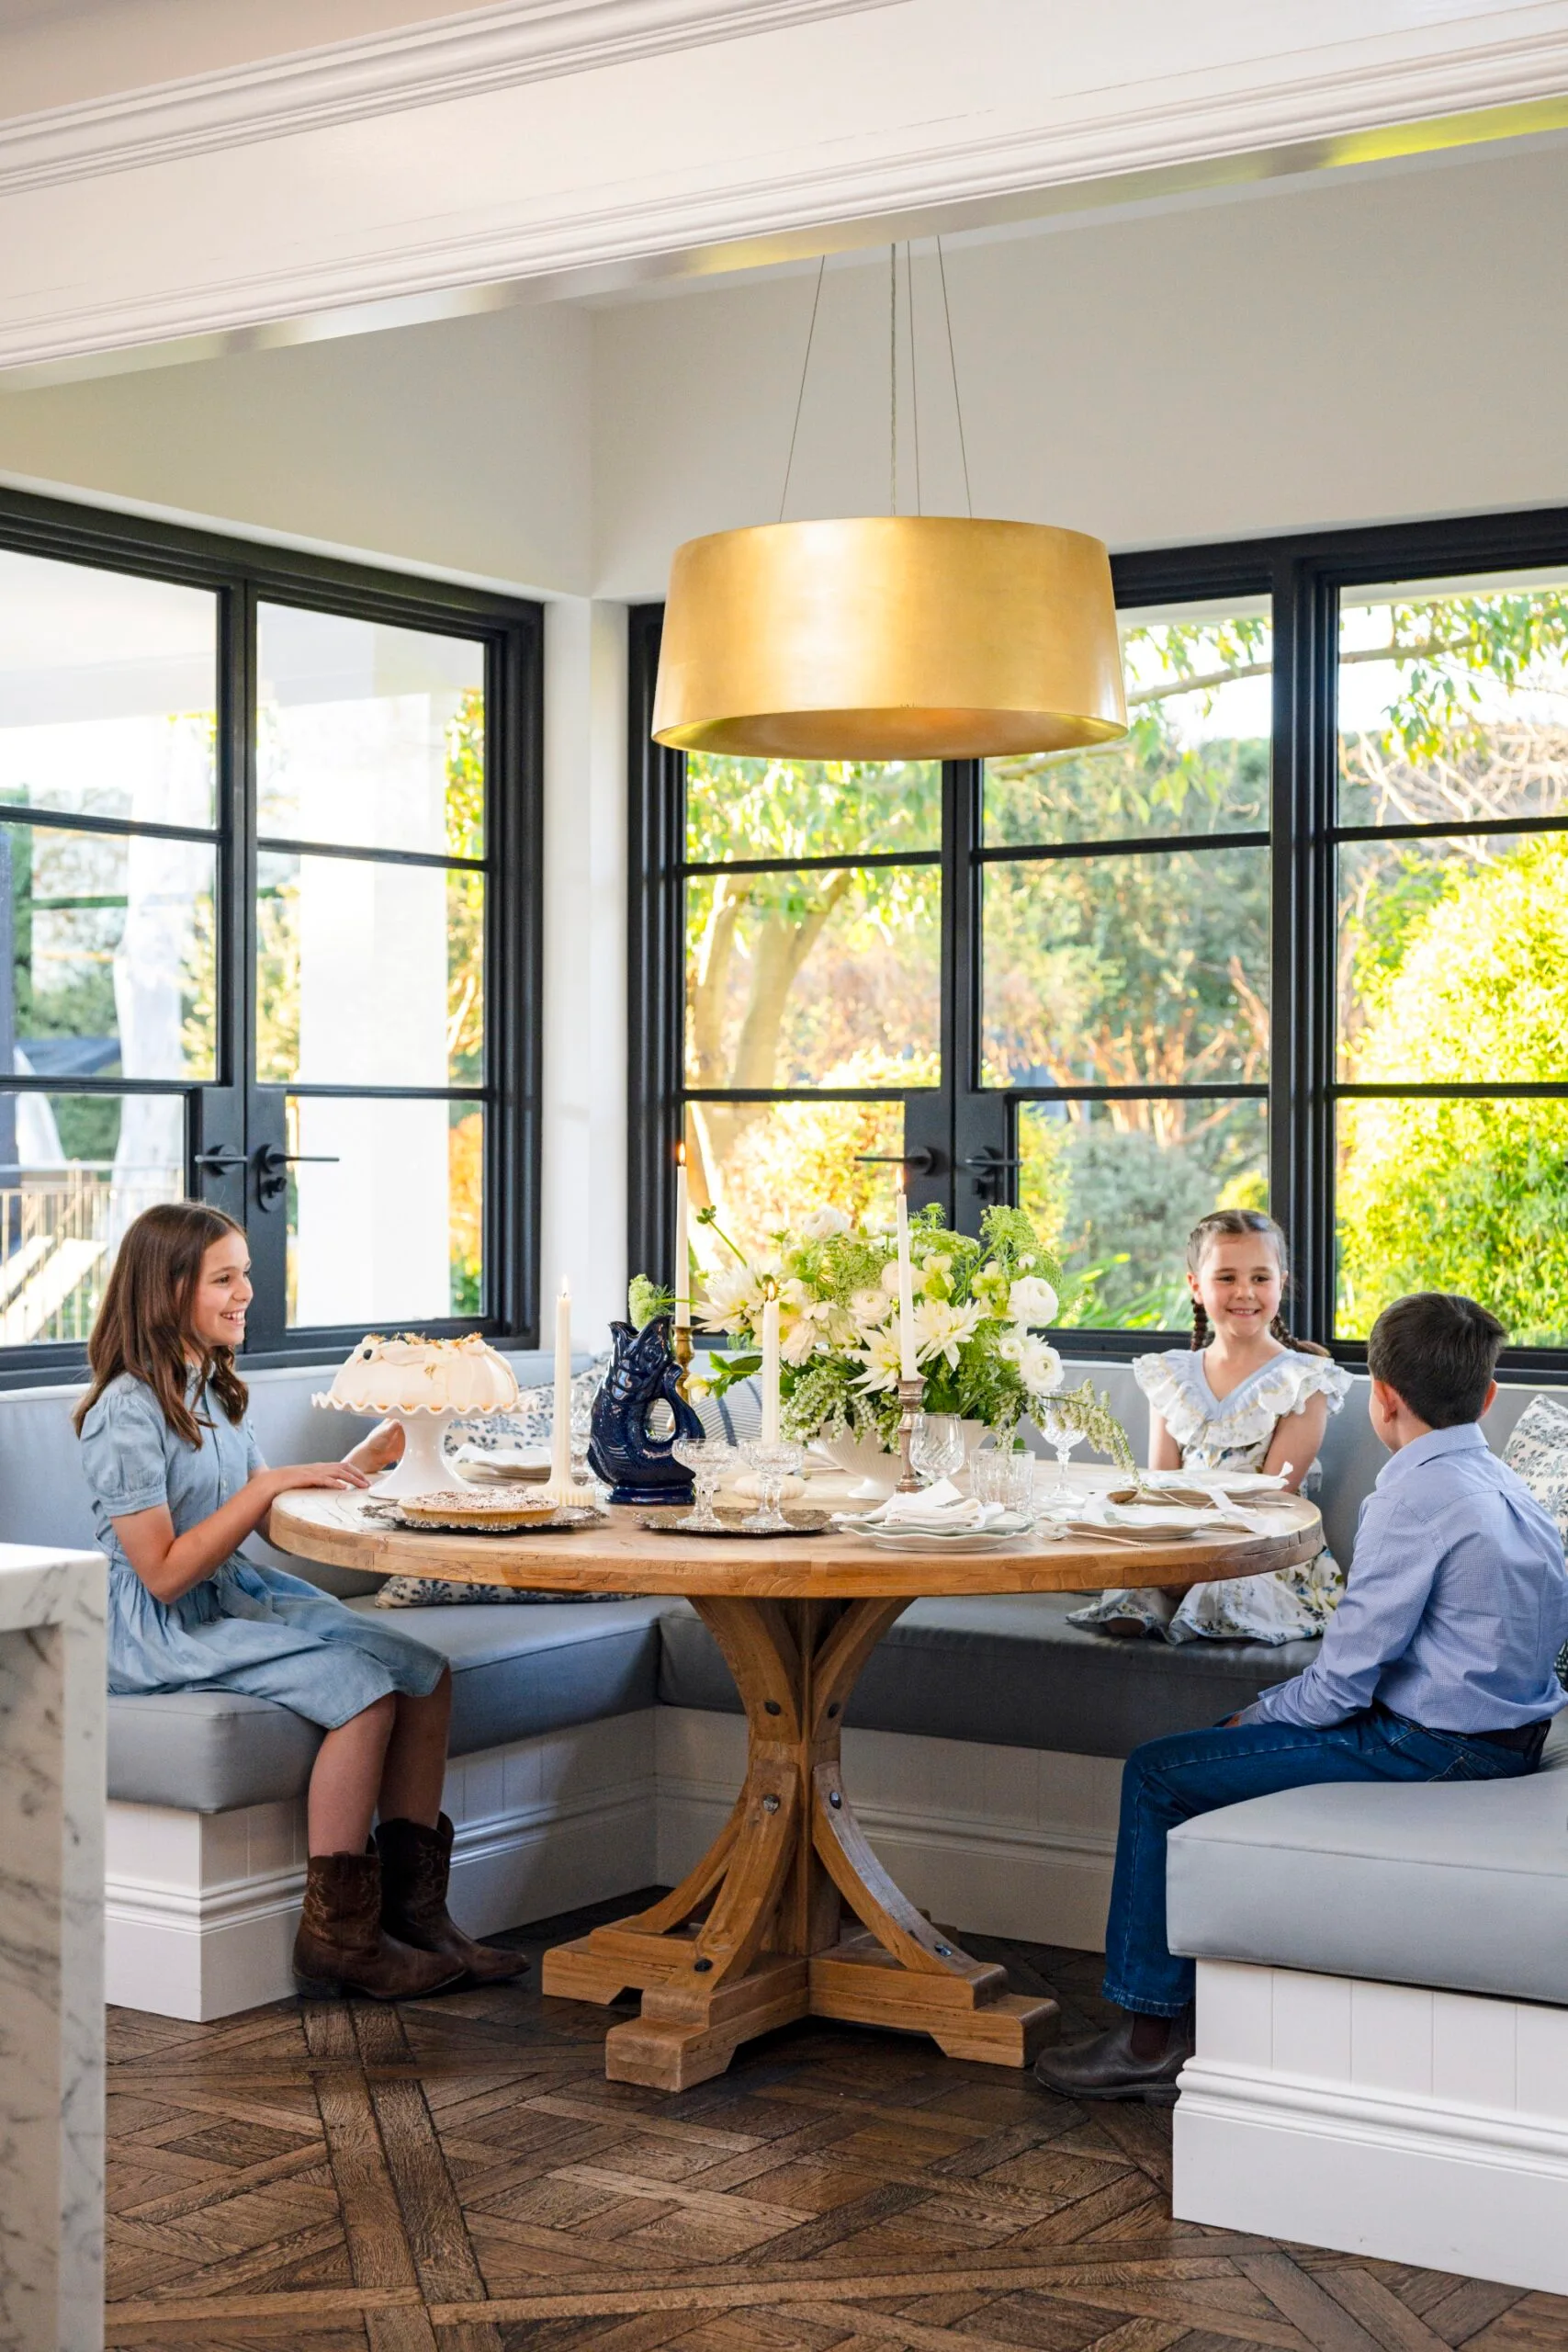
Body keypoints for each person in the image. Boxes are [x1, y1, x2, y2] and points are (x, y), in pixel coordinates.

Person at [1036, 1289, 1568, 2107]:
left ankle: (1145, 2039)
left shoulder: (1411, 1497)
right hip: (1513, 1734)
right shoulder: (1501, 1483)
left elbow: (1343, 1681)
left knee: (1157, 1771)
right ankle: (1193, 2006)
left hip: (1432, 1748)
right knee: (1214, 1751)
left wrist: (1252, 1717)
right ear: (1488, 1395)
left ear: (1381, 1397)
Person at [75, 1201, 526, 2001]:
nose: (246, 1293)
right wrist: (268, 1485)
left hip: (229, 1593)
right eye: (225, 1278)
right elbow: (164, 1574)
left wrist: (363, 1461)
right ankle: (337, 1938)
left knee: (425, 1673)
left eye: (245, 1274)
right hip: (157, 1624)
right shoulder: (125, 1410)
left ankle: (419, 1917)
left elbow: (266, 1524)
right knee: (363, 1692)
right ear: (168, 1290)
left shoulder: (212, 1389)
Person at [1070, 1209, 1351, 1643]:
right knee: (1127, 1609)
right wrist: (1174, 1560)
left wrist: (1200, 1565)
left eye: (1260, 1277)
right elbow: (1161, 1486)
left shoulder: (1305, 1381)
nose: (1245, 1291)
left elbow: (1273, 1498)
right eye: (1226, 1278)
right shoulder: (1171, 1376)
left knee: (1216, 1598)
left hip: (1261, 1548)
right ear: (1196, 1286)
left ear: (1281, 1283)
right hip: (1181, 1536)